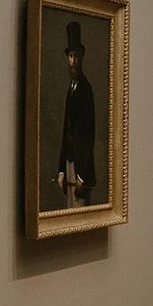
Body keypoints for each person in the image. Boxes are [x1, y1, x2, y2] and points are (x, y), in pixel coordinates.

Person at [56, 21, 96, 207]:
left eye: (76, 56)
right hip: (69, 164)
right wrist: (61, 171)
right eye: (70, 56)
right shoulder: (70, 88)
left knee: (80, 213)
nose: (73, 60)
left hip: (81, 169)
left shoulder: (85, 90)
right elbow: (66, 131)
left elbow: (89, 136)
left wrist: (82, 175)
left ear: (82, 58)